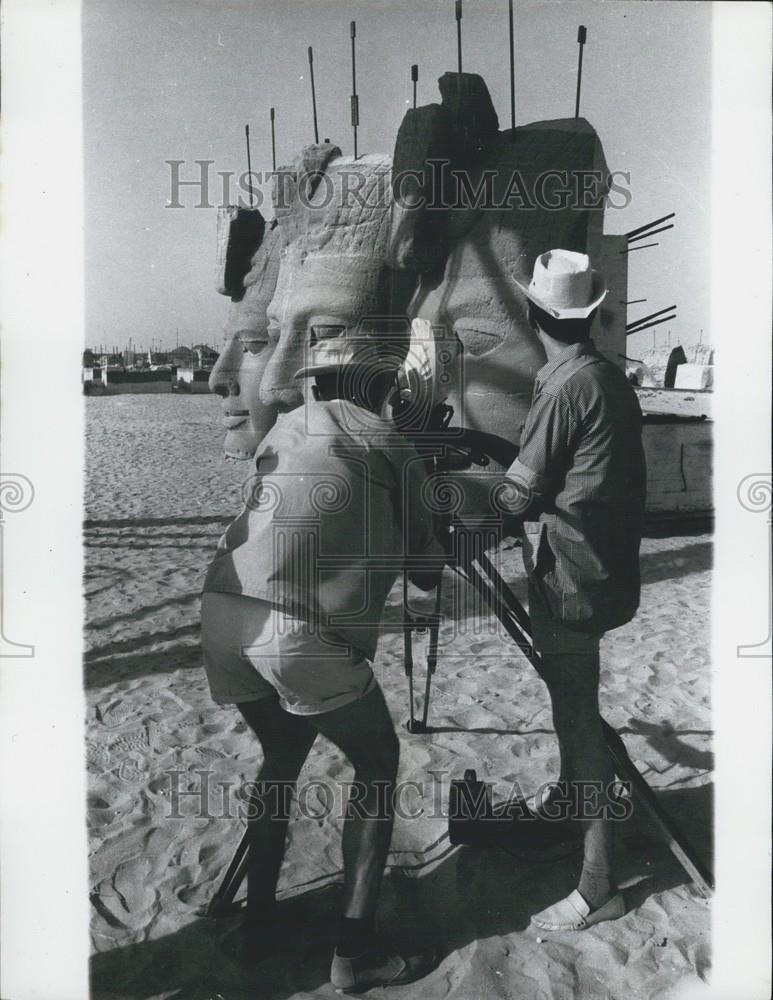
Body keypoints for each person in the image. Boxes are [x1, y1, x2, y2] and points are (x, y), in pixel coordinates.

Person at [200, 326, 443, 990]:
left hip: (222, 609)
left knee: (281, 758)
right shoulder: (391, 442)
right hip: (297, 630)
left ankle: (259, 926)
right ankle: (353, 956)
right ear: (377, 383)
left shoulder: (281, 427)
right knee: (377, 762)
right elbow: (428, 573)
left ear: (314, 380)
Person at [505, 249, 646, 932]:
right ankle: (567, 810)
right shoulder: (604, 376)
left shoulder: (563, 388)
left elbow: (517, 494)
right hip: (604, 571)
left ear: (533, 311)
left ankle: (598, 885)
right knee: (575, 711)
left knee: (577, 723)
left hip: (572, 579)